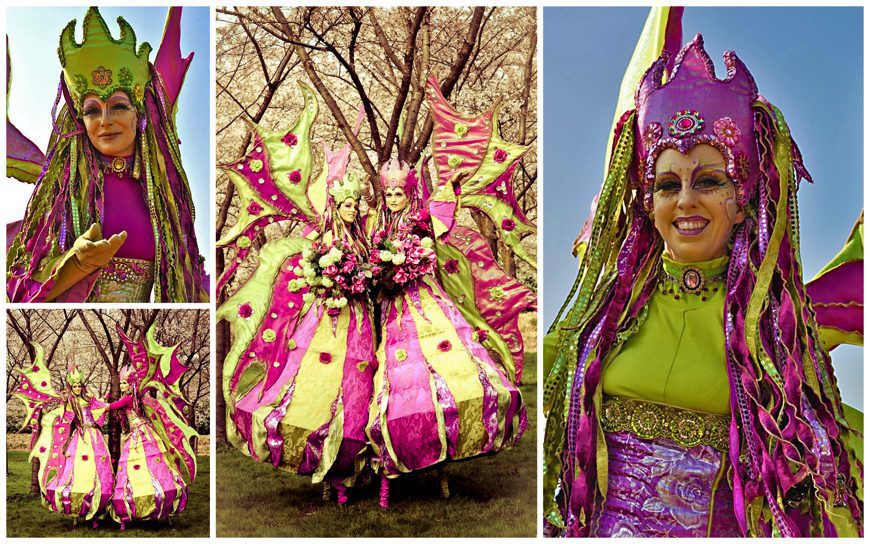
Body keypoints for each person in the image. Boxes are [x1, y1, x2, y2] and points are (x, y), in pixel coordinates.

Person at [542, 29, 863, 537]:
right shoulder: (602, 320)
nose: (686, 200)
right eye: (668, 184)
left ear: (742, 201)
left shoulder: (777, 340)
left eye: (709, 181)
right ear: (648, 203)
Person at [362, 76, 534, 509]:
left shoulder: (422, 222)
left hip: (423, 307)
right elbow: (369, 261)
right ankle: (385, 465)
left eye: (402, 192)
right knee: (387, 383)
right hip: (385, 310)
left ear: (409, 193)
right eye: (391, 193)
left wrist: (409, 261)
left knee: (432, 377)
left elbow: (430, 248)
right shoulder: (376, 227)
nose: (396, 198)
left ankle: (437, 456)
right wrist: (380, 272)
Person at [218, 85, 376, 505]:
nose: (350, 211)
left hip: (359, 321)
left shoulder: (365, 240)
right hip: (326, 321)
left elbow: (373, 271)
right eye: (345, 205)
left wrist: (362, 278)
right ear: (335, 206)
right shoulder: (321, 239)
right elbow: (307, 269)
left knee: (358, 389)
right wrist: (327, 277)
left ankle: (357, 466)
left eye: (354, 206)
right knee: (315, 388)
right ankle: (323, 466)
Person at [6, 7, 207, 302]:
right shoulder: (62, 196)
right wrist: (77, 263)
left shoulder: (164, 198)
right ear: (80, 120)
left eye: (118, 106)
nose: (105, 121)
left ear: (139, 113)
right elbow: (18, 293)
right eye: (91, 110)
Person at [107, 326, 197, 529]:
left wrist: (101, 405)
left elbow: (114, 406)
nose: (120, 386)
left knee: (149, 466)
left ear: (130, 384)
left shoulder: (130, 398)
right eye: (120, 383)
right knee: (142, 467)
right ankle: (145, 506)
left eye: (123, 383)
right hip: (138, 433)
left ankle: (155, 504)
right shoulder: (133, 397)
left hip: (140, 435)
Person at [13, 350, 113, 525]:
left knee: (97, 471)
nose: (77, 388)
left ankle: (97, 511)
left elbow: (104, 408)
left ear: (82, 386)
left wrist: (105, 401)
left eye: (79, 386)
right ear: (70, 387)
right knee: (78, 472)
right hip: (80, 439)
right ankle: (77, 511)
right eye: (74, 386)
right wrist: (54, 414)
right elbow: (66, 420)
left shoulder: (90, 399)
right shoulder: (69, 403)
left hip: (94, 437)